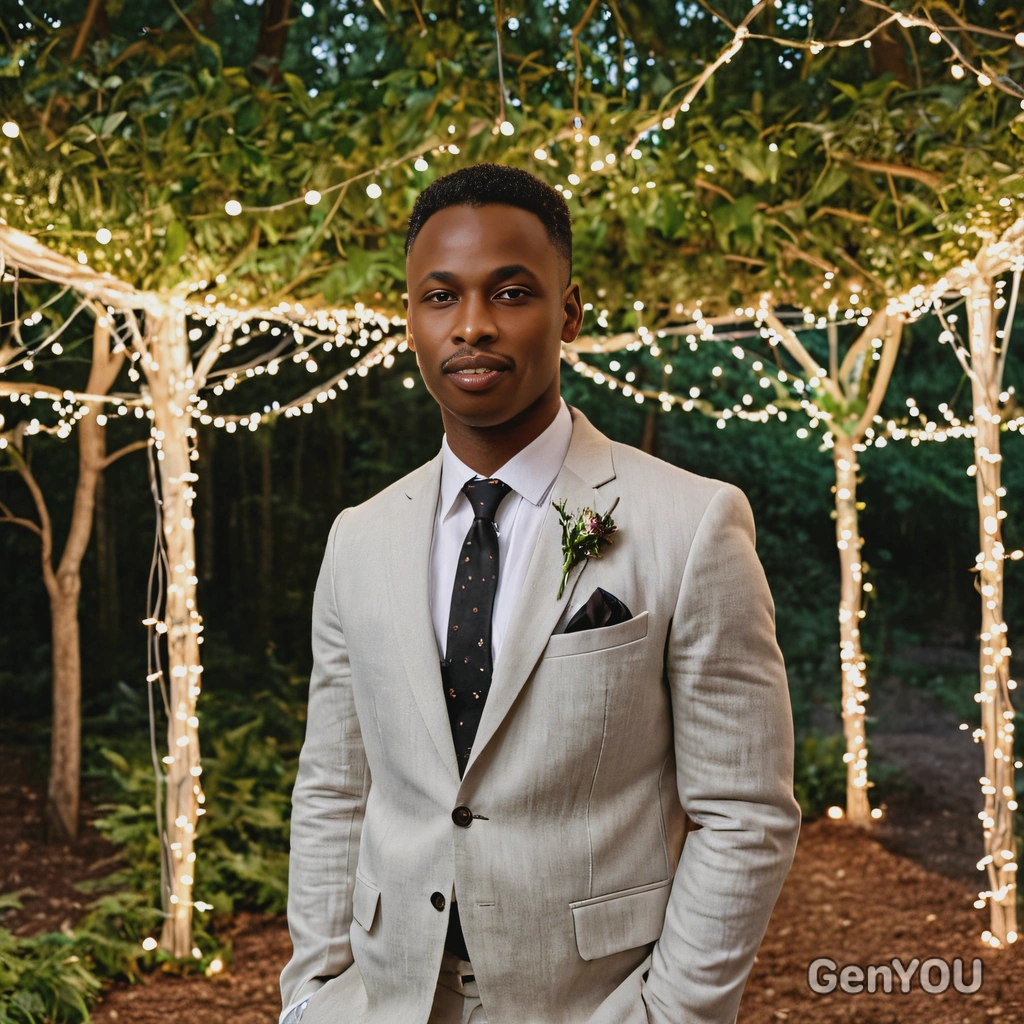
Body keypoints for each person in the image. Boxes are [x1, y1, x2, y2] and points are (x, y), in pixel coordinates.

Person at [279, 162, 801, 1024]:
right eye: (440, 297)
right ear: (409, 317)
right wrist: (312, 992)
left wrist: (670, 1014)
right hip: (379, 1001)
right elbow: (335, 786)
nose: (473, 326)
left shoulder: (693, 522)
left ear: (568, 312)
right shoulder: (357, 539)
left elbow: (744, 811)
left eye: (511, 292)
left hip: (595, 1004)